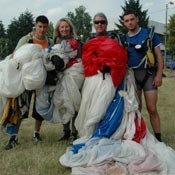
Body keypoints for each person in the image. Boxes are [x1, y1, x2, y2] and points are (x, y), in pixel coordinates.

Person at [74, 12, 127, 138]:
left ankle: (104, 132)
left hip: (108, 78)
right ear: (94, 24)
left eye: (102, 22)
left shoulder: (114, 39)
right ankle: (90, 133)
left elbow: (121, 60)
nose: (99, 24)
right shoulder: (89, 40)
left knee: (105, 105)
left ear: (106, 24)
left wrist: (111, 66)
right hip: (92, 78)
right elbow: (85, 61)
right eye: (97, 22)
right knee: (89, 104)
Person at [4, 15, 50, 149]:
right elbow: (15, 55)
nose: (42, 29)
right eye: (40, 26)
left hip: (42, 80)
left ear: (47, 28)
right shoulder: (26, 39)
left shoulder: (49, 41)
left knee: (40, 107)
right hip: (25, 80)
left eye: (45, 27)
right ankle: (14, 137)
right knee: (20, 108)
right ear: (35, 26)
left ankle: (36, 133)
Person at [123, 10, 163, 142]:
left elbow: (159, 56)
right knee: (136, 109)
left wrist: (159, 75)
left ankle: (158, 137)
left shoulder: (149, 34)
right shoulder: (124, 38)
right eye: (127, 20)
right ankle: (138, 136)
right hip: (132, 76)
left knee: (152, 108)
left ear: (137, 19)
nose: (130, 22)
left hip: (148, 74)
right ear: (124, 23)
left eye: (132, 19)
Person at [53, 18, 83, 141]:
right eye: (62, 27)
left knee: (75, 102)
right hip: (61, 77)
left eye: (66, 26)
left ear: (70, 28)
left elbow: (81, 59)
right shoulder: (56, 43)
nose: (64, 29)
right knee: (62, 102)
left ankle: (75, 132)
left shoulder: (77, 42)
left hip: (75, 75)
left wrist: (69, 64)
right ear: (58, 29)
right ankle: (66, 132)